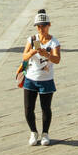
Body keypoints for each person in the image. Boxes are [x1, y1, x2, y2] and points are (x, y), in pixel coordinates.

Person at [22, 10, 61, 146]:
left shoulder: (54, 42)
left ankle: (45, 133)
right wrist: (32, 51)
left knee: (46, 108)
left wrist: (47, 54)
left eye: (43, 26)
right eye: (38, 26)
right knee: (28, 108)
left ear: (49, 25)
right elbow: (24, 56)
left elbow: (57, 59)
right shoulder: (33, 40)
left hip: (46, 80)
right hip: (30, 79)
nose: (41, 29)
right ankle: (33, 132)